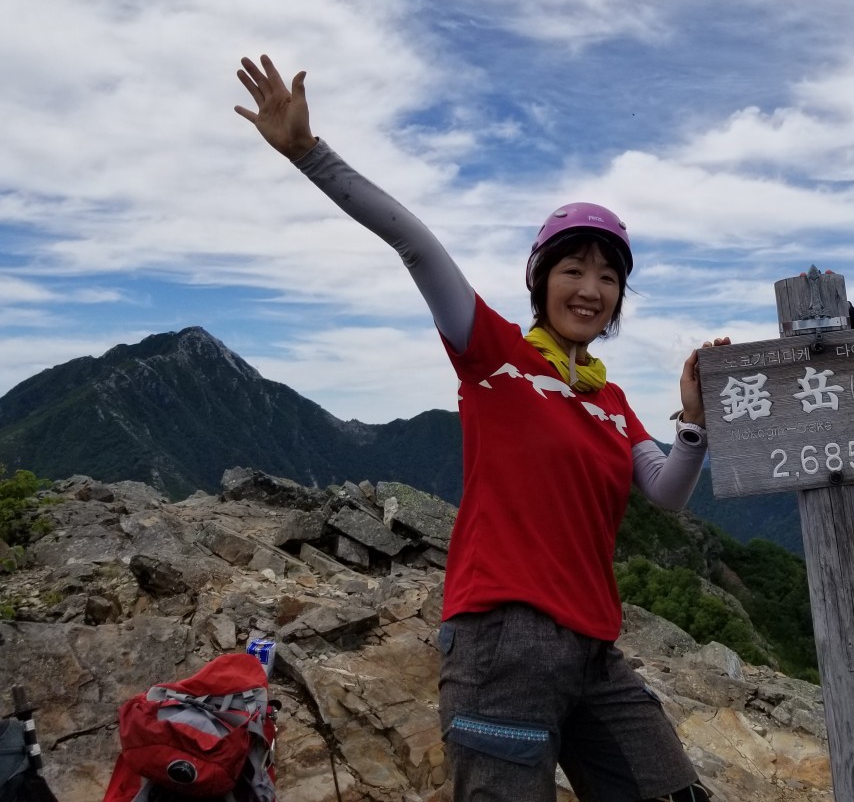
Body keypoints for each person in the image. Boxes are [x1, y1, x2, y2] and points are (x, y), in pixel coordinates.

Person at [234, 56, 716, 802]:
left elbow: (667, 494)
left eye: (608, 277)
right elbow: (417, 246)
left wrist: (694, 421)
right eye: (573, 270)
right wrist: (309, 153)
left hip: (594, 650)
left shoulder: (610, 400)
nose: (591, 289)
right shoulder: (494, 356)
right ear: (540, 279)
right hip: (502, 644)